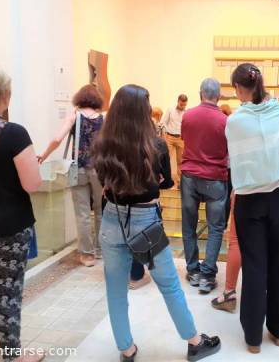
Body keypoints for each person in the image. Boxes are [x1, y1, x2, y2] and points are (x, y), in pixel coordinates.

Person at [93, 84, 220, 362]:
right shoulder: (156, 145)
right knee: (169, 285)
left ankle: (126, 350)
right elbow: (161, 183)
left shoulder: (102, 143)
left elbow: (104, 182)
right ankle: (195, 342)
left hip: (112, 219)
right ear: (144, 111)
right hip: (146, 221)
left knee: (115, 290)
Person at [0, 63, 43, 362]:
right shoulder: (14, 133)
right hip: (9, 230)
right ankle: (12, 354)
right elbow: (32, 184)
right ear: (6, 94)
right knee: (7, 293)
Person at [225, 63, 279, 353]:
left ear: (240, 88)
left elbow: (236, 157)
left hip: (250, 196)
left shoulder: (235, 120)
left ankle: (253, 338)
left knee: (255, 266)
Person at [38, 85, 104, 267]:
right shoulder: (103, 119)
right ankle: (100, 250)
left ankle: (87, 255)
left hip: (79, 169)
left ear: (80, 98)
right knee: (100, 211)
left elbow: (57, 139)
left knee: (82, 213)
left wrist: (43, 155)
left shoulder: (75, 116)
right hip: (100, 171)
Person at [181, 79, 228, 294]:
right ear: (218, 96)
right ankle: (208, 275)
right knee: (215, 227)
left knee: (189, 224)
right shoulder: (225, 120)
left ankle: (192, 270)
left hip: (190, 176)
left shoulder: (188, 115)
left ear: (200, 94)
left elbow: (185, 139)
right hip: (215, 178)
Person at [161, 94, 187, 188]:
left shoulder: (186, 112)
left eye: (184, 105)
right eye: (181, 104)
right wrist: (164, 135)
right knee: (167, 159)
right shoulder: (170, 110)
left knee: (180, 161)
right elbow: (163, 122)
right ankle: (168, 181)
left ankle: (179, 183)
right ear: (178, 101)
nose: (182, 106)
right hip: (169, 137)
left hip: (181, 138)